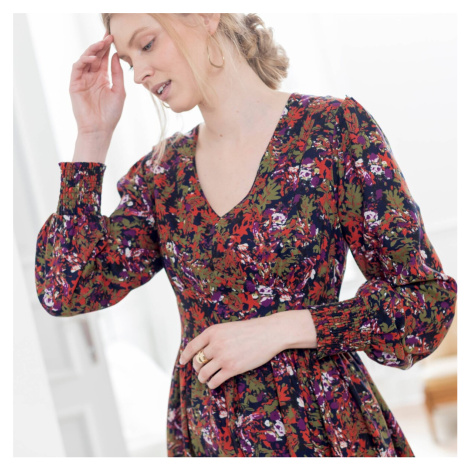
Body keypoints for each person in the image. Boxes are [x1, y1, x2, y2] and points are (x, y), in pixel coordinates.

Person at [34, 13, 458, 457]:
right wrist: (92, 136)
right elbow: (65, 290)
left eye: (147, 44)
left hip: (322, 428)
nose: (139, 73)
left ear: (204, 15)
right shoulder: (162, 176)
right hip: (211, 440)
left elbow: (425, 304)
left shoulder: (332, 130)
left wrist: (285, 328)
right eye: (127, 60)